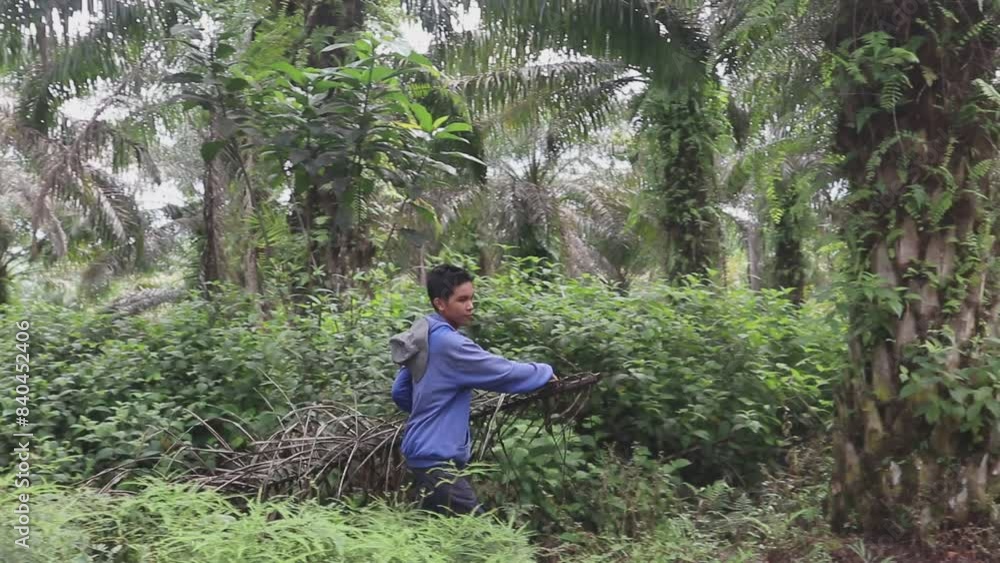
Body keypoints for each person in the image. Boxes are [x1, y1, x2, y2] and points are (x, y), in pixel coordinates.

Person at [390, 264, 556, 515]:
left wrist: (432, 408)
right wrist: (543, 371)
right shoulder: (449, 343)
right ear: (440, 303)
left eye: (472, 298)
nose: (470, 306)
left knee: (441, 541)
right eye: (462, 299)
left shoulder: (424, 335)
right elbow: (501, 372)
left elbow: (399, 392)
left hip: (420, 455)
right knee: (482, 537)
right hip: (437, 460)